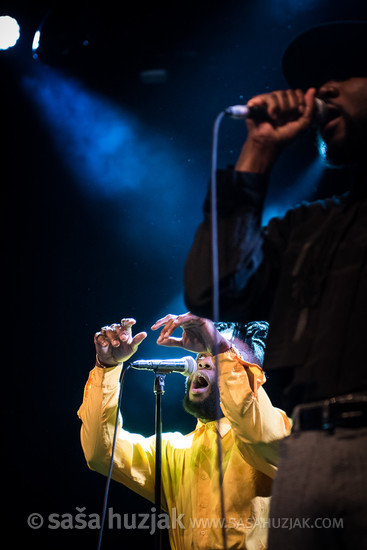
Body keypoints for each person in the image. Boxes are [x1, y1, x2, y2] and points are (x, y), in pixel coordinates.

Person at [184, 20, 367, 550]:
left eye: (347, 74)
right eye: (316, 82)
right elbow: (214, 290)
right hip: (309, 452)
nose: (321, 91)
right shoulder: (307, 226)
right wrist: (258, 152)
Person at [78, 313, 291, 549]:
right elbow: (101, 452)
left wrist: (219, 346)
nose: (204, 361)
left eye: (227, 358)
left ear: (253, 378)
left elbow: (257, 436)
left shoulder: (281, 428)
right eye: (202, 355)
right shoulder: (174, 450)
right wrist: (107, 367)